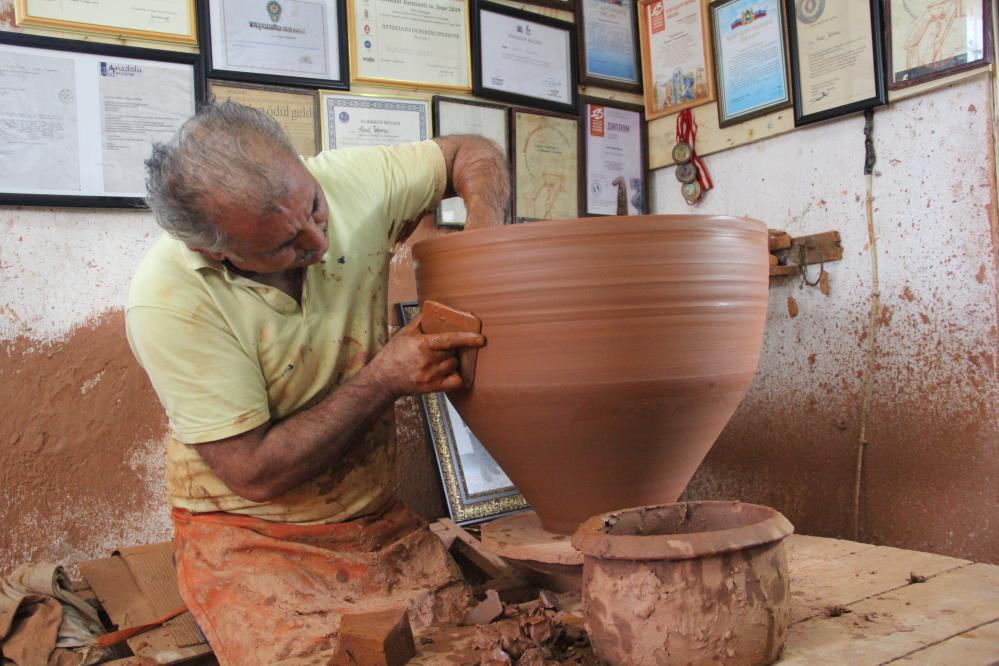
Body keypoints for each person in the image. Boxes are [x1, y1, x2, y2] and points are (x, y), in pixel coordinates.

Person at [125, 101, 510, 664]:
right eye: (283, 245)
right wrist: (383, 380)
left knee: (463, 647)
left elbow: (469, 154)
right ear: (213, 249)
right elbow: (254, 473)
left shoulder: (345, 177)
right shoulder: (170, 300)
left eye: (314, 207)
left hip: (376, 519)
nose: (319, 242)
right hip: (251, 535)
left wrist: (484, 239)